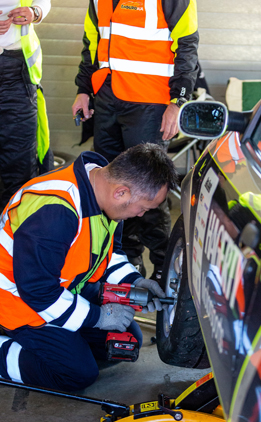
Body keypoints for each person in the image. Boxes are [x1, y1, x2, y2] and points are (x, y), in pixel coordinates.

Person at [0, 143, 178, 392]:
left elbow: (109, 252)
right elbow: (37, 290)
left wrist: (134, 282)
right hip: (18, 299)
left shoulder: (103, 192)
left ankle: (63, 336)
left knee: (125, 342)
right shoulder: (55, 211)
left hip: (65, 286)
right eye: (144, 208)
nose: (140, 215)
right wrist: (98, 317)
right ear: (122, 193)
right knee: (76, 373)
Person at [71, 0, 199, 280]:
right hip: (107, 100)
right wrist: (83, 89)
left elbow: (187, 45)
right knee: (110, 184)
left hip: (149, 104)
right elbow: (91, 43)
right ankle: (122, 260)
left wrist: (178, 101)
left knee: (147, 185)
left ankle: (164, 266)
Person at [0, 0, 53, 210]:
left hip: (17, 75)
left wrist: (35, 12)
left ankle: (12, 237)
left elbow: (42, 2)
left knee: (20, 164)